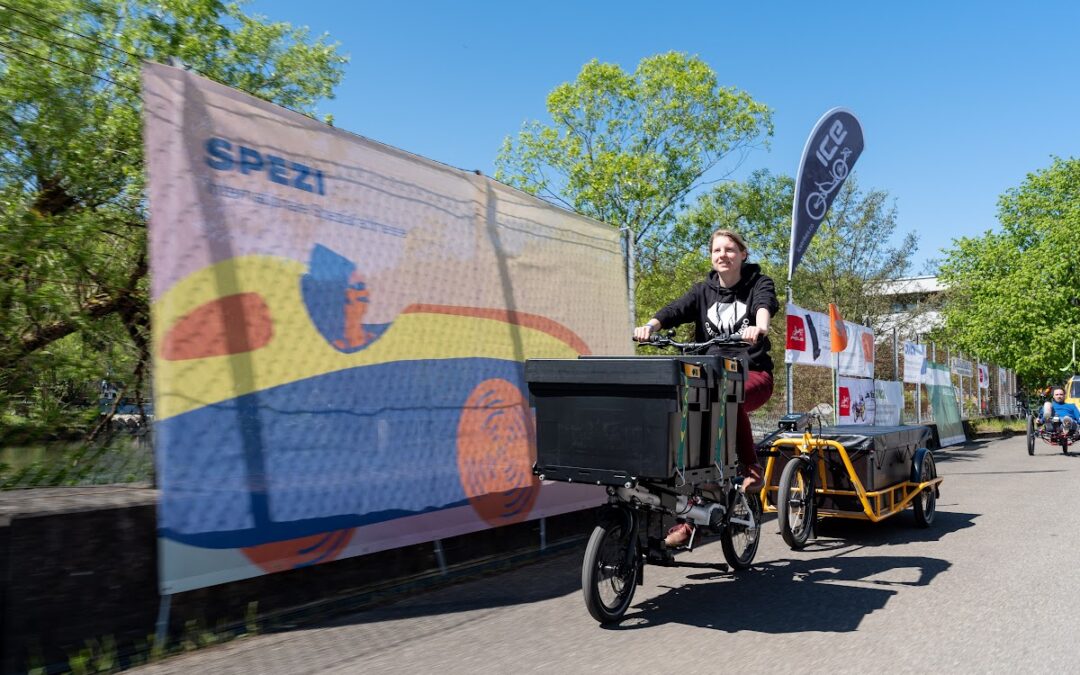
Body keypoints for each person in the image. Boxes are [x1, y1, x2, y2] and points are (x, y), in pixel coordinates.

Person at [633, 228, 779, 547]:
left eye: (729, 249)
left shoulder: (758, 283)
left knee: (728, 395)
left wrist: (760, 328)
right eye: (716, 250)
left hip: (751, 374)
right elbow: (675, 309)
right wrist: (650, 326)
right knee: (688, 439)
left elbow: (764, 305)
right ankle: (689, 516)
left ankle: (752, 467)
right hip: (710, 377)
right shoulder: (703, 290)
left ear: (743, 254)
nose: (722, 255)